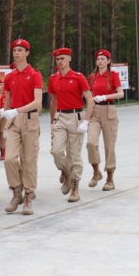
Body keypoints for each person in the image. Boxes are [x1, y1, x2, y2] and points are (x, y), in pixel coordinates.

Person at [2, 39, 43, 215]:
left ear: (27, 53)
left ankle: (28, 196)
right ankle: (16, 192)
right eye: (14, 50)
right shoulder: (9, 77)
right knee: (10, 159)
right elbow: (7, 103)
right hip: (13, 121)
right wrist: (5, 123)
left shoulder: (35, 75)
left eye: (20, 50)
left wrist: (16, 110)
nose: (16, 53)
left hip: (29, 119)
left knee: (29, 160)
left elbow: (38, 101)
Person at [48, 48, 94, 202]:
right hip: (60, 116)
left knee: (74, 155)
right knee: (56, 151)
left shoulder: (78, 77)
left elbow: (90, 100)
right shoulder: (53, 78)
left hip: (76, 116)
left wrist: (86, 121)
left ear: (69, 59)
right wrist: (52, 121)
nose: (59, 61)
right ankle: (65, 171)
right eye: (57, 59)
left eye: (62, 58)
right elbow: (53, 101)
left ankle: (75, 186)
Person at [86, 49, 124, 190]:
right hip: (95, 111)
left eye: (103, 59)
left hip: (109, 110)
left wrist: (106, 97)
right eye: (98, 59)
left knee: (109, 146)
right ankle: (96, 171)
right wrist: (86, 118)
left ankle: (110, 178)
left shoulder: (113, 75)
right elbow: (90, 97)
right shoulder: (92, 77)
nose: (100, 61)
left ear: (108, 61)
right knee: (91, 142)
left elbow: (120, 94)